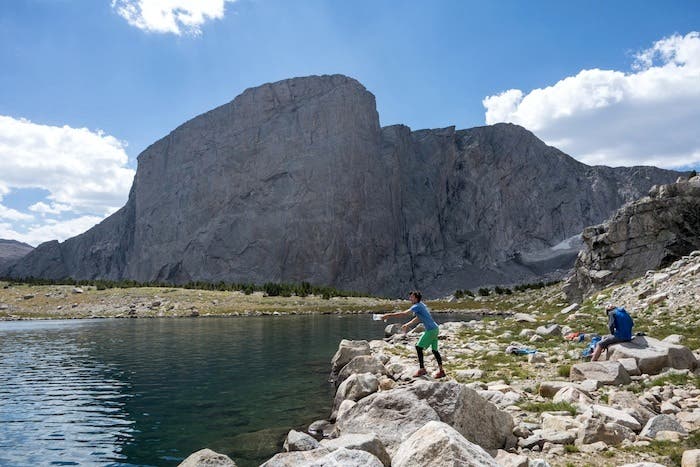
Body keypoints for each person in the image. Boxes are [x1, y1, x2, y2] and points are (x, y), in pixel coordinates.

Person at [382, 290, 446, 378]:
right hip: (435, 329)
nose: (409, 298)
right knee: (435, 351)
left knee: (418, 347)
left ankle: (422, 369)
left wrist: (388, 315)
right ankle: (441, 371)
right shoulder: (421, 305)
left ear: (416, 298)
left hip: (431, 330)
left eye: (411, 297)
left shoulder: (417, 306)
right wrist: (408, 324)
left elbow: (404, 314)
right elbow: (418, 318)